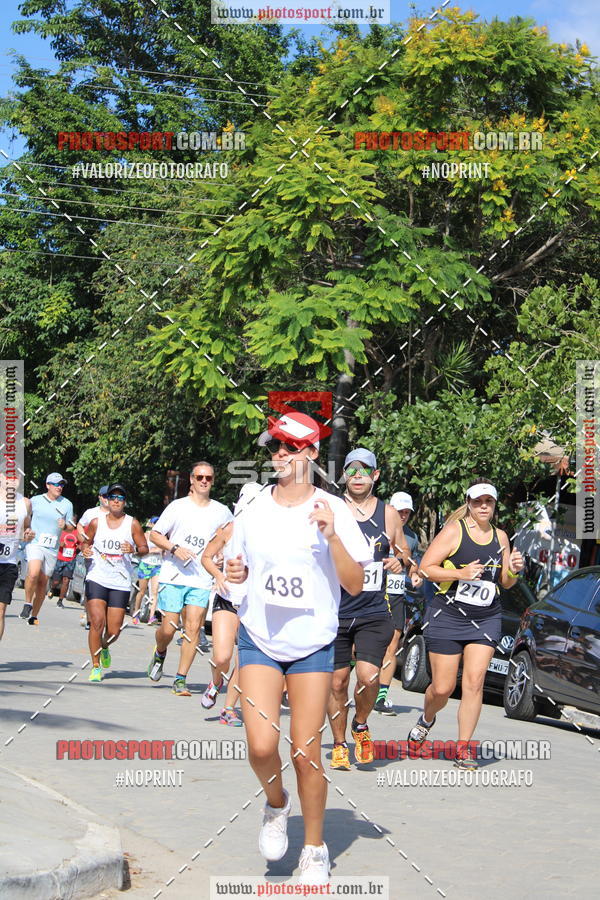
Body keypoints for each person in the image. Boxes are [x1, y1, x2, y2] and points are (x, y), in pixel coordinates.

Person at [226, 412, 372, 884]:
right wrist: (235, 575)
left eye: (289, 447)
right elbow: (236, 568)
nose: (279, 455)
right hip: (260, 639)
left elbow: (355, 584)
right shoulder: (253, 506)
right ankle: (276, 804)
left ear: (311, 452)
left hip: (312, 645)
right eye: (275, 447)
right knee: (260, 745)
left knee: (306, 753)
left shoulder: (335, 509)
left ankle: (314, 848)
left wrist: (331, 535)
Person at [409, 479, 524, 769]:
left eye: (489, 502)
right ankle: (427, 719)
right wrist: (461, 573)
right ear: (469, 503)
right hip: (448, 615)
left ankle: (463, 749)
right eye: (477, 501)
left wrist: (514, 570)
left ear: (495, 505)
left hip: (486, 617)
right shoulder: (453, 531)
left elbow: (505, 582)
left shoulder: (501, 537)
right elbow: (426, 568)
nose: (483, 506)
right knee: (443, 688)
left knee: (474, 682)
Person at [327, 449, 409, 770]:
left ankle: (360, 724)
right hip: (335, 610)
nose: (358, 475)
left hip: (373, 610)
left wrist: (399, 561)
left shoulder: (388, 514)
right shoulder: (332, 509)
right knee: (337, 682)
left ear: (375, 475)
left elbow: (403, 552)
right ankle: (338, 744)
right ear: (344, 475)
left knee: (368, 676)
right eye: (352, 470)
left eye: (365, 470)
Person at [147, 462, 232, 696]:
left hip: (201, 579)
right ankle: (160, 652)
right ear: (192, 480)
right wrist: (175, 548)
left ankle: (180, 679)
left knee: (193, 628)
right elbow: (155, 535)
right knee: (169, 628)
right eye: (200, 477)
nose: (204, 481)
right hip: (173, 576)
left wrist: (221, 555)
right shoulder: (178, 507)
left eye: (209, 478)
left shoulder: (222, 511)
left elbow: (229, 539)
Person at [200, 482, 263, 726]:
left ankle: (228, 709)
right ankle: (216, 681)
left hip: (253, 603)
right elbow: (206, 557)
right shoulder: (229, 529)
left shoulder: (270, 533)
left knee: (243, 661)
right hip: (227, 598)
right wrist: (218, 575)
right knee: (222, 656)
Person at [80, 483, 148, 682]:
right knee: (97, 622)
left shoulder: (132, 524)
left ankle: (105, 646)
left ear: (124, 502)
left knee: (113, 630)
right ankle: (95, 666)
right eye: (113, 497)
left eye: (120, 498)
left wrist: (133, 550)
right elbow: (85, 542)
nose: (116, 501)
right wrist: (85, 549)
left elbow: (144, 548)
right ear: (107, 501)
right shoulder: (96, 522)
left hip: (120, 581)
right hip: (97, 577)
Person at [374, 491, 423, 714]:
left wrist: (416, 576)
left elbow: (412, 566)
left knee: (392, 644)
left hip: (395, 595)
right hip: (372, 592)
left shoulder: (412, 537)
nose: (403, 516)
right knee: (357, 645)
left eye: (406, 512)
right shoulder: (375, 527)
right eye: (399, 511)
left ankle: (381, 697)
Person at [21, 473, 75, 625]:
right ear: (47, 485)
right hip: (35, 542)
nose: (59, 487)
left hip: (52, 548)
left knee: (42, 583)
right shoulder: (36, 500)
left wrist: (65, 526)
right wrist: (26, 530)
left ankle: (34, 615)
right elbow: (25, 518)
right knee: (33, 573)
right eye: (56, 484)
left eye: (61, 484)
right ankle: (27, 603)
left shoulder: (67, 504)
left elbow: (71, 527)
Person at [0, 473, 33, 641]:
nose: (12, 480)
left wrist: (27, 534)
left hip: (9, 563)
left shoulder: (25, 503)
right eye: (8, 476)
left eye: (16, 477)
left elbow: (26, 527)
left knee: (1, 611)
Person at [76, 485, 110, 629]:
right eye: (105, 496)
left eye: (110, 496)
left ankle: (102, 616)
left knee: (107, 585)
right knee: (92, 584)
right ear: (100, 497)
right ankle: (90, 617)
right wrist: (83, 540)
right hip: (92, 554)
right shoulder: (91, 513)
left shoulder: (118, 514)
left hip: (109, 556)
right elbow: (79, 525)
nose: (108, 499)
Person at [132, 517, 162, 625]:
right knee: (142, 591)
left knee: (155, 592)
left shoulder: (162, 537)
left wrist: (152, 550)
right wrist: (152, 550)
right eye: (155, 523)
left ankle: (151, 617)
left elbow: (162, 549)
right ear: (151, 524)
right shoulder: (145, 535)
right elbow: (140, 549)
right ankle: (136, 613)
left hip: (157, 566)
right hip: (145, 565)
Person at [49, 528, 79, 608]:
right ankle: (52, 589)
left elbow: (81, 544)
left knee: (66, 581)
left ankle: (60, 601)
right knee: (56, 581)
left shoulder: (77, 532)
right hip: (60, 559)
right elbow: (53, 540)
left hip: (70, 560)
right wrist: (59, 543)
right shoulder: (61, 530)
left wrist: (78, 548)